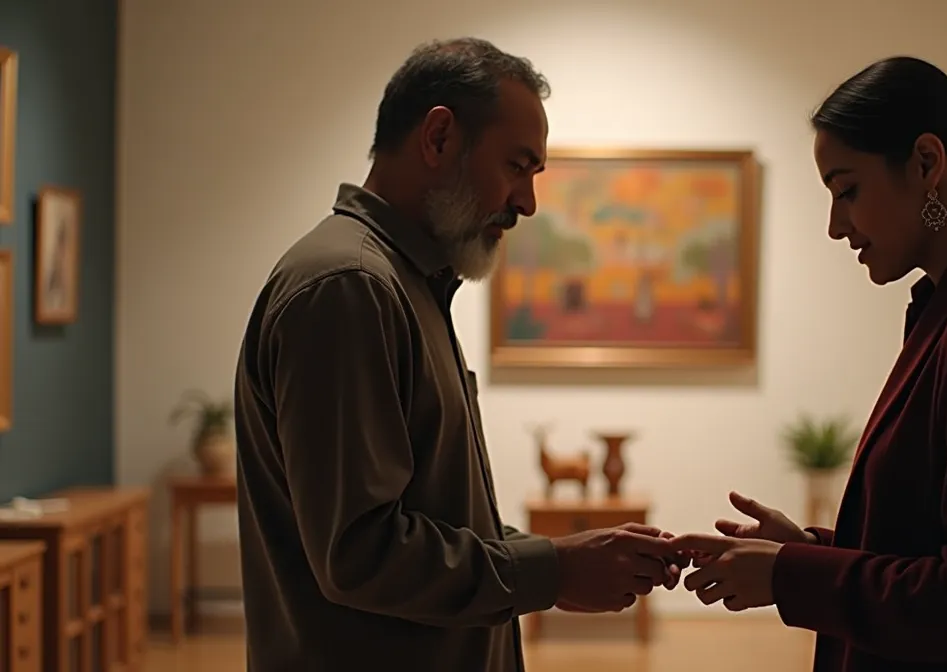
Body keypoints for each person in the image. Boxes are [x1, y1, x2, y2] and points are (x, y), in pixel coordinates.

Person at [233, 38, 683, 672]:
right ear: (439, 138)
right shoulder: (350, 287)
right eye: (517, 166)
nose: (527, 203)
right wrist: (551, 573)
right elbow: (360, 552)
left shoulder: (403, 283)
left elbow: (432, 518)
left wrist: (562, 559)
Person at [672, 56, 947, 671]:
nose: (835, 225)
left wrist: (792, 576)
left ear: (927, 164)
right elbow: (934, 547)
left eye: (847, 190)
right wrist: (804, 552)